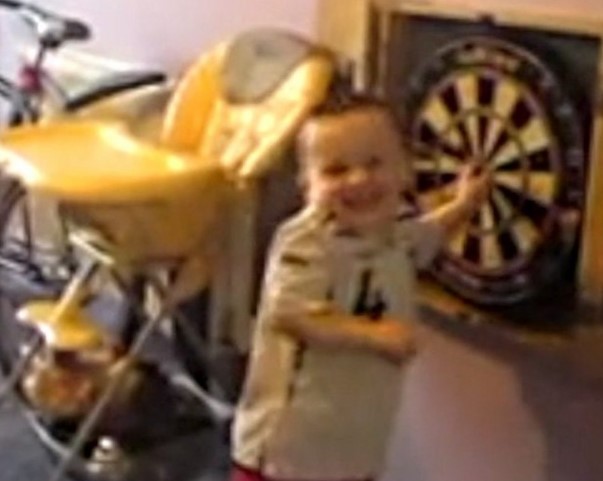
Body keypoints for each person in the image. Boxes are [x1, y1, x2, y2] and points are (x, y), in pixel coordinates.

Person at [229, 95, 491, 481]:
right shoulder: (308, 240)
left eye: (374, 163)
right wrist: (376, 337)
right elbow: (291, 314)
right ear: (307, 186)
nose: (358, 180)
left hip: (352, 448)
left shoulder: (395, 237)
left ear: (404, 171)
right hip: (287, 453)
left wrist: (466, 203)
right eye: (335, 170)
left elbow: (428, 235)